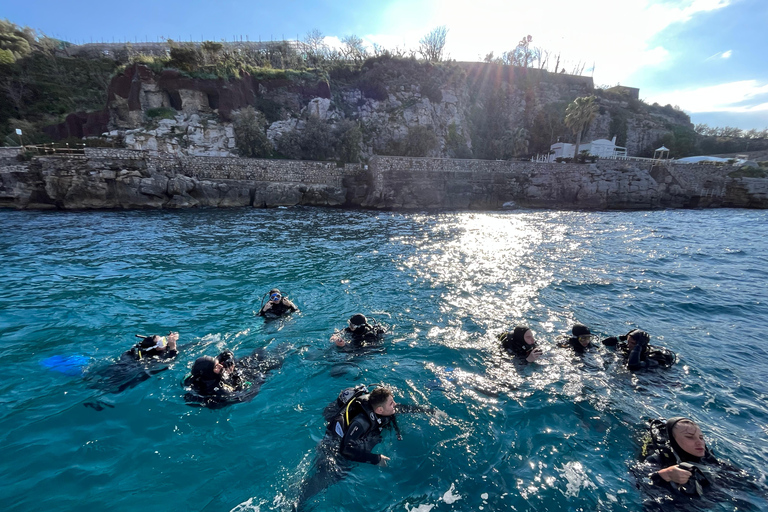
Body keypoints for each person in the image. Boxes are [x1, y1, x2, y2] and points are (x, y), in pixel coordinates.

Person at [295, 385, 440, 509]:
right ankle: (296, 504)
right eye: (391, 403)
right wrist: (376, 459)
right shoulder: (361, 422)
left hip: (352, 439)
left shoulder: (382, 409)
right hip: (333, 447)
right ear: (379, 410)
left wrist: (429, 411)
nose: (395, 404)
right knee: (329, 477)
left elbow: (402, 408)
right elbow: (346, 450)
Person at [636, 417, 758, 505]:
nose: (699, 442)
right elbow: (640, 479)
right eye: (690, 437)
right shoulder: (658, 458)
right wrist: (665, 474)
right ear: (673, 440)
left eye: (701, 437)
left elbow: (747, 482)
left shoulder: (708, 459)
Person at [183, 346, 285, 408]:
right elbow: (246, 396)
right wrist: (259, 378)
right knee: (277, 361)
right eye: (216, 367)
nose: (220, 365)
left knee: (259, 352)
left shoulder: (194, 377)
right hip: (248, 375)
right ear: (209, 372)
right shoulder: (221, 389)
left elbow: (224, 354)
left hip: (240, 369)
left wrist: (229, 358)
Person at [601, 329, 675, 370]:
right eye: (628, 341)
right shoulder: (625, 347)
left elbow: (633, 366)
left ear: (642, 345)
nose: (628, 345)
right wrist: (623, 337)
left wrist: (638, 346)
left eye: (632, 343)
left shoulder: (653, 357)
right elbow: (604, 343)